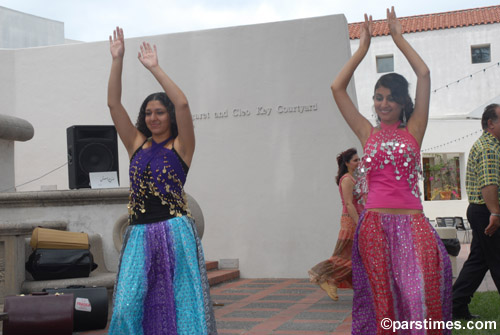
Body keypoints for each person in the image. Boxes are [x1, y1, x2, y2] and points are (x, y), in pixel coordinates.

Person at [331, 8, 452, 334]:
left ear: (402, 102)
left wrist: (399, 38)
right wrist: (362, 50)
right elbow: (337, 88)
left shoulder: (415, 129)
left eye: (391, 98)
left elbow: (424, 73)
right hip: (375, 229)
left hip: (413, 225)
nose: (383, 103)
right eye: (378, 97)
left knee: (420, 298)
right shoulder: (366, 133)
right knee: (383, 305)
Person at [107, 27, 217, 334]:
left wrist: (155, 68)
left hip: (175, 231)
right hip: (139, 233)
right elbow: (114, 106)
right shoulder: (136, 144)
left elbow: (182, 103)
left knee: (182, 309)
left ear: (169, 116)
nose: (154, 117)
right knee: (127, 305)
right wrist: (118, 60)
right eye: (148, 113)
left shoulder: (182, 146)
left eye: (160, 112)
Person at [452, 103, 500, 320]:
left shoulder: (492, 145)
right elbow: (489, 184)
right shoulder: (489, 148)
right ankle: (455, 306)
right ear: (491, 123)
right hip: (487, 211)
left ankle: (455, 305)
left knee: (478, 261)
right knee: (497, 258)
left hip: (483, 211)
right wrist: (496, 214)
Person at [309, 148, 364, 301]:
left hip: (355, 218)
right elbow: (348, 203)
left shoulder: (353, 178)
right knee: (345, 255)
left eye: (359, 159)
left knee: (356, 256)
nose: (358, 162)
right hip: (351, 220)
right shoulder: (347, 179)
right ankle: (327, 278)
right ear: (347, 163)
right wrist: (359, 222)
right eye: (355, 160)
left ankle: (355, 287)